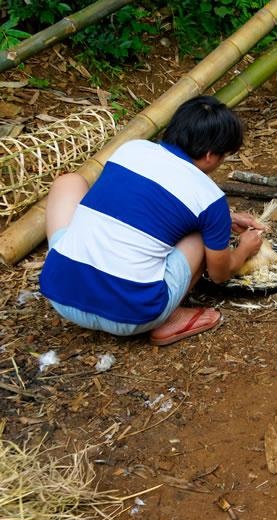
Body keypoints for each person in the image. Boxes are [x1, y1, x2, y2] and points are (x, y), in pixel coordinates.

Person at [40, 95, 264, 346]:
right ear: (211, 155)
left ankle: (70, 266)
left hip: (61, 296)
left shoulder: (131, 149)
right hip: (131, 317)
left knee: (68, 182)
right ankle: (171, 318)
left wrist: (225, 219)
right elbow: (220, 273)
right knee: (199, 238)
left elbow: (135, 204)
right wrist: (244, 248)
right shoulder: (210, 198)